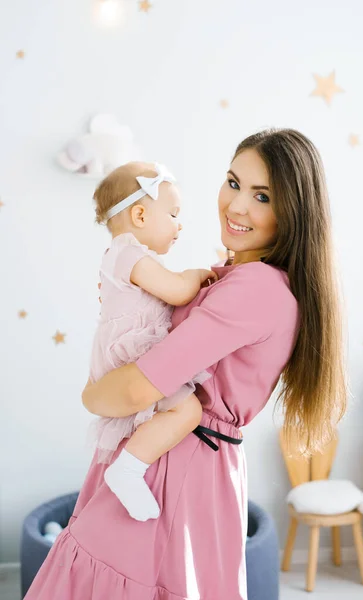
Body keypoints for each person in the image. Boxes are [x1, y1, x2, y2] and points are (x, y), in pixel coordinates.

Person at [25, 128, 347, 600]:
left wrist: (93, 394)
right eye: (234, 183)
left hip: (177, 463)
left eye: (261, 196)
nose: (237, 206)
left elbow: (141, 386)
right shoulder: (238, 276)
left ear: (292, 211)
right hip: (167, 452)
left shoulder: (256, 287)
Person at [87, 161, 217, 522]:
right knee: (187, 410)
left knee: (177, 409)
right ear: (141, 215)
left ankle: (131, 465)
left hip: (126, 351)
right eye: (174, 214)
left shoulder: (123, 257)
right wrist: (193, 275)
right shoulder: (129, 254)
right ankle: (128, 469)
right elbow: (176, 292)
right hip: (131, 353)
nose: (180, 224)